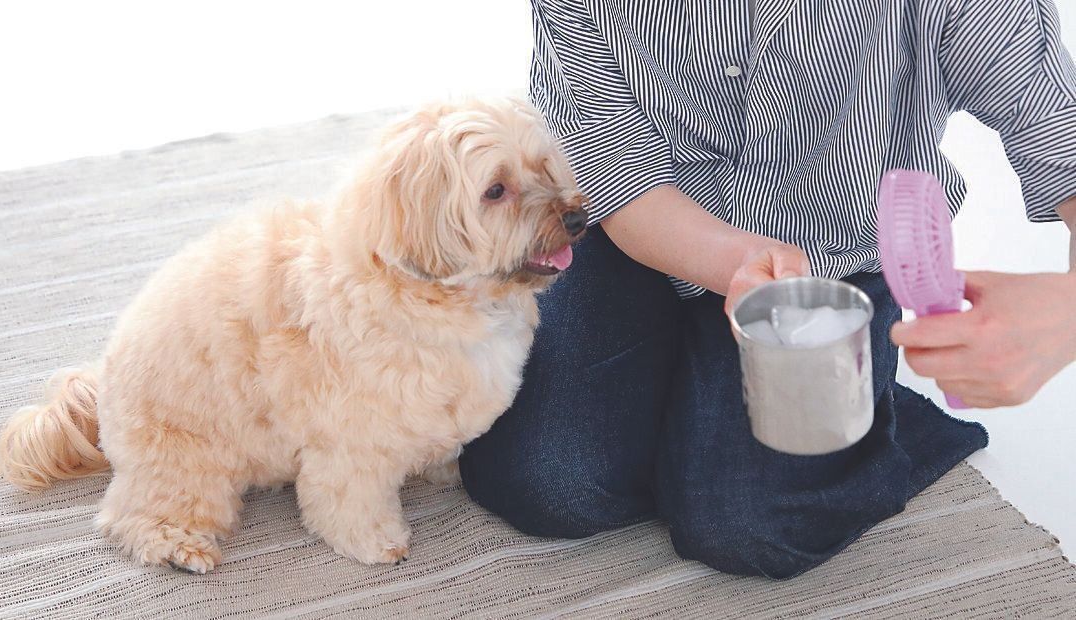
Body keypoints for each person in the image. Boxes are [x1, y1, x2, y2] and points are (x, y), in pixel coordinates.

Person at [460, 0, 1076, 579]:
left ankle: (858, 411)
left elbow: (1059, 130)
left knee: (746, 526)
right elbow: (615, 167)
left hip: (835, 253)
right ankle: (705, 406)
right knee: (541, 482)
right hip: (643, 230)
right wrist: (741, 264)